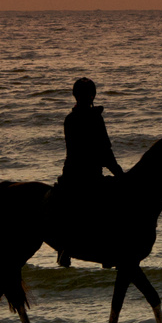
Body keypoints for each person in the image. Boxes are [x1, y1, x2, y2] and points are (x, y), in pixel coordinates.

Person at [49, 78, 123, 266]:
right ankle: (107, 250)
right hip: (86, 175)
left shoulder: (72, 119)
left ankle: (66, 247)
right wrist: (120, 174)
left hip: (74, 174)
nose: (89, 97)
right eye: (88, 94)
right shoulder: (92, 118)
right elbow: (105, 151)